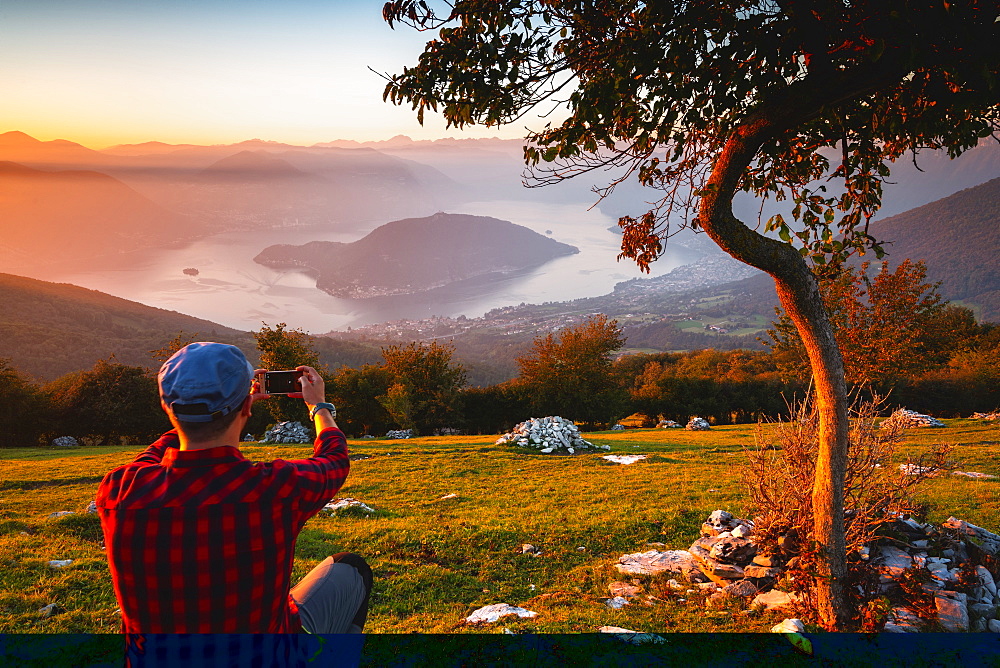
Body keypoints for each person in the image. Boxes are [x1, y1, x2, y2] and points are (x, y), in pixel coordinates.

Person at [96, 342, 371, 634]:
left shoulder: (120, 490)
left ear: (166, 407)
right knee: (351, 569)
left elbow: (150, 456)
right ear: (246, 408)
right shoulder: (274, 489)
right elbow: (334, 459)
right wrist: (319, 407)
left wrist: (214, 409)